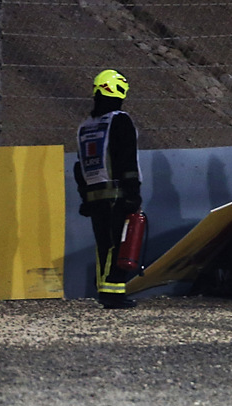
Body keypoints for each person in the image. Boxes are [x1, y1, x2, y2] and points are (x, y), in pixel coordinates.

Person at [74, 69, 142, 308]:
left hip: (95, 196)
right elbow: (127, 161)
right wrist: (133, 194)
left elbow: (79, 166)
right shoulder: (119, 120)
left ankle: (106, 291)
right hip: (117, 194)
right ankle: (113, 294)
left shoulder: (87, 126)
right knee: (119, 244)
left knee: (104, 244)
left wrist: (85, 197)